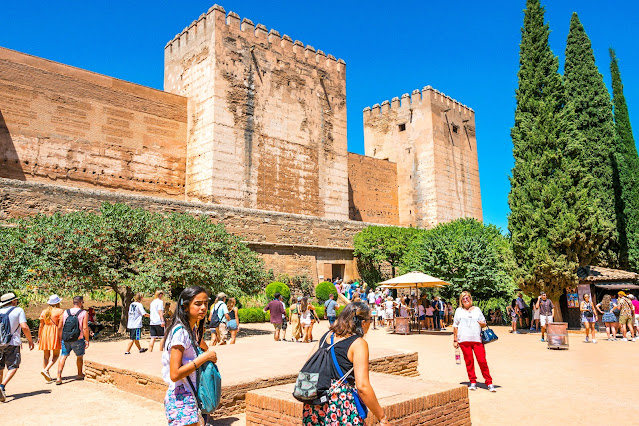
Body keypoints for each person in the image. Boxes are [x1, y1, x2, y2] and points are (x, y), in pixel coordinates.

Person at [302, 302, 390, 425]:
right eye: (370, 319)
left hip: (315, 405)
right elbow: (362, 387)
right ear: (363, 323)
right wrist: (382, 416)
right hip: (340, 405)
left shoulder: (326, 336)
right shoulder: (358, 344)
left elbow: (308, 364)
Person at [162, 286, 217, 426]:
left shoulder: (189, 330)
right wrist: (203, 358)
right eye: (198, 304)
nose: (203, 308)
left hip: (189, 395)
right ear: (185, 307)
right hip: (180, 398)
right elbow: (174, 374)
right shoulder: (180, 332)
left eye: (205, 303)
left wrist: (207, 351)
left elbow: (198, 342)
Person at [452, 291, 496, 392]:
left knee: (482, 361)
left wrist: (483, 324)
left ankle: (489, 382)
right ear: (461, 301)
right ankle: (472, 381)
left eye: (467, 298)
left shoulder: (477, 310)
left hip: (477, 339)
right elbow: (455, 326)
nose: (466, 300)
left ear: (470, 299)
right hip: (464, 339)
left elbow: (484, 323)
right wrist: (455, 340)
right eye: (463, 298)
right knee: (469, 362)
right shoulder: (459, 311)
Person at [0, 292, 34, 401]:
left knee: (0, 367)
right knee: (13, 366)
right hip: (12, 343)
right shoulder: (18, 310)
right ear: (13, 301)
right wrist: (30, 340)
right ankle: (2, 386)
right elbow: (24, 326)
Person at [56, 295, 89, 385]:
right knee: (79, 356)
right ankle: (79, 374)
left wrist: (60, 338)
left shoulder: (65, 312)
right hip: (78, 338)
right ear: (81, 302)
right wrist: (87, 340)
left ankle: (59, 377)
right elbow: (85, 328)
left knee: (63, 355)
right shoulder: (84, 313)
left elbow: (59, 327)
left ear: (73, 302)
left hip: (66, 338)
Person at [38, 294, 63, 382]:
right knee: (56, 355)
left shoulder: (44, 311)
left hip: (45, 332)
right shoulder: (60, 311)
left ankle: (46, 376)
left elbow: (41, 326)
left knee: (46, 356)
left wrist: (39, 337)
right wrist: (61, 336)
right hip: (54, 332)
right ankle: (45, 370)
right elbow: (60, 325)